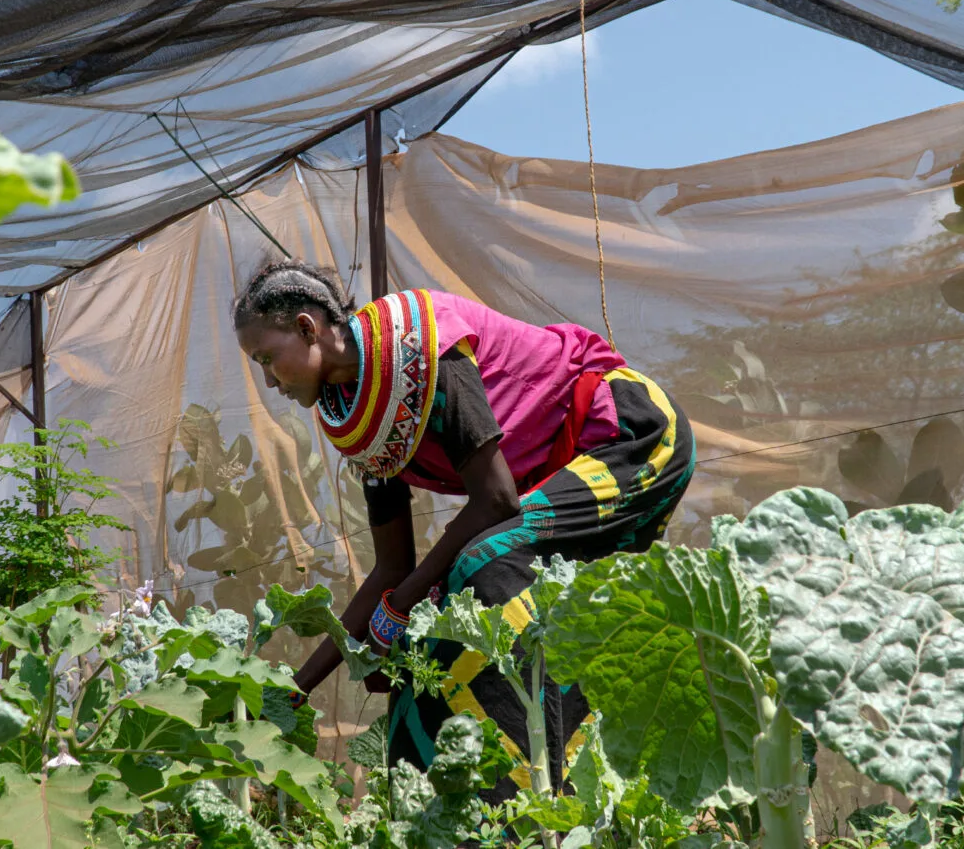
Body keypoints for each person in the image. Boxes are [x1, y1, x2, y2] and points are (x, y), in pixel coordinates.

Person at [232, 260, 694, 801]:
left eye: (268, 358)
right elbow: (392, 569)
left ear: (309, 329)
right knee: (424, 642)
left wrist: (403, 601)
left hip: (627, 437)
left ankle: (541, 798)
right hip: (551, 481)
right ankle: (441, 821)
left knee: (487, 568)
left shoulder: (424, 345)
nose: (268, 379)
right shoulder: (352, 417)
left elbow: (496, 501)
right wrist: (295, 690)